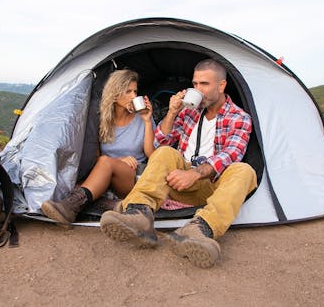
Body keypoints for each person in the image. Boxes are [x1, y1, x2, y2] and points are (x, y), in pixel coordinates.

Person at [99, 59, 257, 268]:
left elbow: (230, 155)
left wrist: (195, 173)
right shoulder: (189, 110)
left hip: (213, 186)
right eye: (195, 84)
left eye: (204, 84)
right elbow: (160, 142)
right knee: (165, 152)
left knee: (245, 171)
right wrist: (172, 113)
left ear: (221, 86)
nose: (197, 90)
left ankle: (200, 229)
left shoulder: (239, 117)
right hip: (178, 183)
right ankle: (139, 215)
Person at [41, 69, 155, 224]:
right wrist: (119, 160)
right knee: (100, 166)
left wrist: (148, 121)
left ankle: (70, 206)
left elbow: (151, 154)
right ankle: (111, 205)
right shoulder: (101, 120)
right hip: (107, 175)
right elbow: (96, 157)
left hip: (133, 176)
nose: (134, 96)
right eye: (128, 92)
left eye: (135, 91)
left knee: (105, 162)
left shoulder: (142, 118)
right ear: (115, 94)